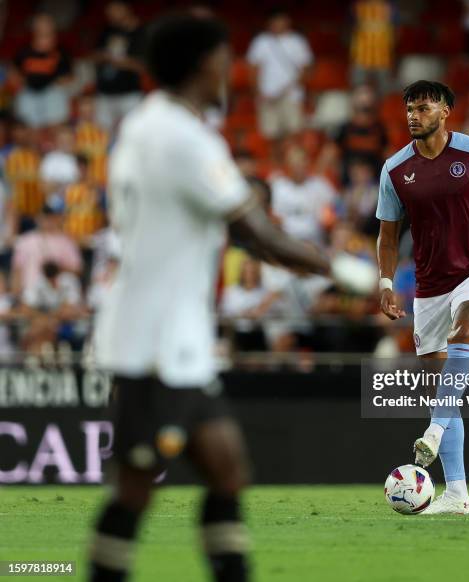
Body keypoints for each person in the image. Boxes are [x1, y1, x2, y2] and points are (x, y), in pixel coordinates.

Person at [89, 14, 340, 582]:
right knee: (135, 490)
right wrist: (347, 271)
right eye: (227, 58)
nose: (234, 69)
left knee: (227, 470)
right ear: (206, 63)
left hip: (176, 340)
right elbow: (258, 235)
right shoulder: (184, 138)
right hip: (149, 344)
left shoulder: (143, 123)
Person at [376, 80, 469, 514]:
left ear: (445, 112)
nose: (413, 116)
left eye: (422, 108)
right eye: (409, 109)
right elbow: (387, 235)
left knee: (467, 330)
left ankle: (434, 434)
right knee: (442, 388)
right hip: (430, 284)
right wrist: (385, 284)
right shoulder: (395, 169)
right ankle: (457, 495)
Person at [246, 8, 313, 141]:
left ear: (287, 21)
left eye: (280, 20)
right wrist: (258, 92)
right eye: (274, 21)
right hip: (267, 96)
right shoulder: (261, 41)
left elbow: (305, 70)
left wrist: (286, 90)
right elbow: (253, 69)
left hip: (291, 95)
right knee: (270, 134)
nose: (277, 24)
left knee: (294, 132)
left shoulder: (297, 42)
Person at [12, 13, 72, 128]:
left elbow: (68, 77)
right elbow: (14, 70)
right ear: (35, 31)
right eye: (41, 31)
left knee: (57, 104)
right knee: (26, 123)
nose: (45, 35)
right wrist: (19, 82)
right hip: (29, 92)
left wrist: (60, 80)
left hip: (51, 91)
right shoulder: (24, 51)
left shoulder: (60, 52)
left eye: (49, 32)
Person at [92, 1, 144, 130]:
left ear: (125, 8)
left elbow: (144, 65)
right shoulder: (107, 30)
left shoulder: (141, 32)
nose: (110, 14)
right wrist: (104, 57)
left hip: (129, 93)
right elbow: (94, 56)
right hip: (104, 92)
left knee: (132, 130)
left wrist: (124, 62)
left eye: (114, 9)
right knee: (102, 133)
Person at [270, 144, 337, 245]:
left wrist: (329, 218)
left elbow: (338, 207)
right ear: (287, 164)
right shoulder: (277, 186)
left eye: (301, 161)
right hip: (285, 243)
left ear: (307, 162)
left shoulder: (320, 185)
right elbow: (270, 215)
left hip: (315, 242)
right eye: (294, 162)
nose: (298, 166)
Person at [350, 0, 395, 94]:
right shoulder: (357, 5)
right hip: (361, 57)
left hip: (382, 57)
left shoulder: (389, 5)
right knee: (359, 91)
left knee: (384, 92)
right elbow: (348, 28)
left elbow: (396, 30)